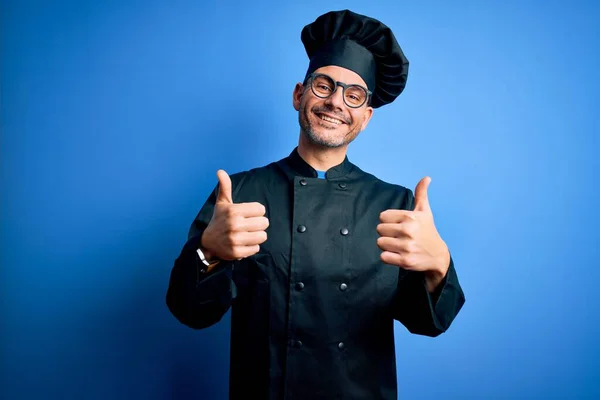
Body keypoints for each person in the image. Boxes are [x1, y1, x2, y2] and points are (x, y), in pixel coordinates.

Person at [166, 9, 465, 400]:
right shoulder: (239, 194)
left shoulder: (395, 204)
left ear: (366, 117)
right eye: (323, 85)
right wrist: (208, 253)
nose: (336, 102)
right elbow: (190, 312)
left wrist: (439, 266)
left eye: (353, 95)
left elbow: (429, 323)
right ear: (299, 94)